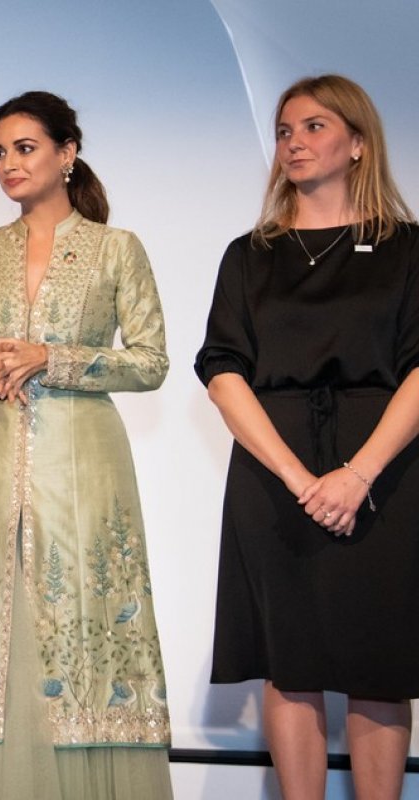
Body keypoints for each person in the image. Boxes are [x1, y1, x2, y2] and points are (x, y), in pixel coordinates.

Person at [0, 91, 173, 799]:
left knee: (78, 614)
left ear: (67, 154)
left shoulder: (115, 249)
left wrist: (55, 357)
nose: (8, 164)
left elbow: (151, 361)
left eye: (25, 148)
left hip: (82, 461)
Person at [196, 74, 419, 799]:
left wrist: (357, 475)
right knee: (287, 661)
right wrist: (300, 480)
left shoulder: (408, 249)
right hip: (273, 472)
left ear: (359, 143)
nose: (294, 142)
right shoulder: (250, 254)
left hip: (385, 469)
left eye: (315, 127)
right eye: (286, 131)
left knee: (378, 660)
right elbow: (223, 369)